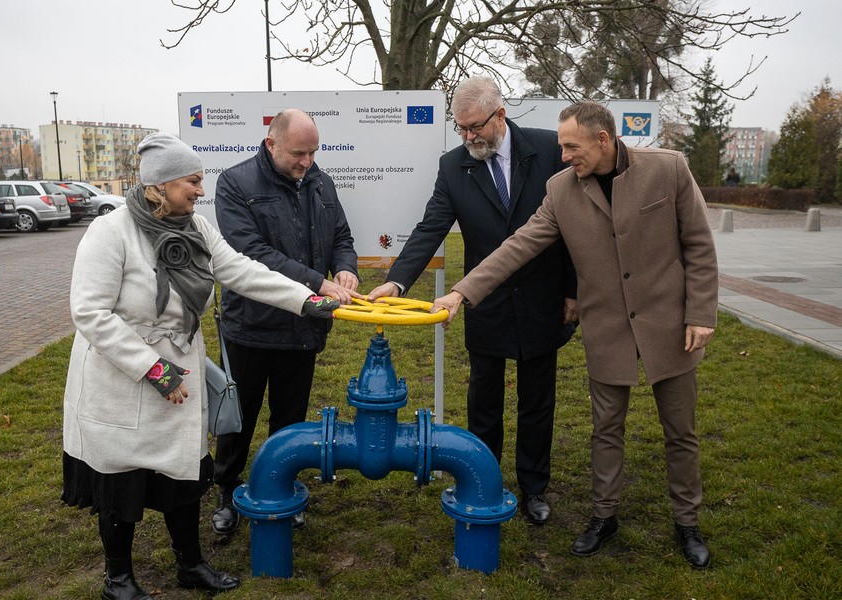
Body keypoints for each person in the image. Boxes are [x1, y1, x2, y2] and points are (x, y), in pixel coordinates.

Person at [432, 101, 719, 569]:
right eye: (562, 147)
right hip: (606, 329)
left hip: (671, 326)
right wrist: (462, 293)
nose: (563, 155)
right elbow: (518, 246)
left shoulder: (667, 170)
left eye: (572, 147)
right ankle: (604, 517)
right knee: (606, 430)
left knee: (680, 432)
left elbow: (700, 247)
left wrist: (700, 313)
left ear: (603, 140)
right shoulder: (560, 190)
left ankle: (687, 523)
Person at [61, 132, 339, 600]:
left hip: (179, 371)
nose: (199, 190)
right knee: (122, 480)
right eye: (191, 181)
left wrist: (304, 299)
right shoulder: (110, 232)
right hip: (121, 374)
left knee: (182, 473)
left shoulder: (198, 228)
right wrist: (153, 369)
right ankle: (119, 579)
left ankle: (190, 565)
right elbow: (90, 312)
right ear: (159, 185)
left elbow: (241, 270)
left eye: (200, 180)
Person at [367, 76, 577, 525]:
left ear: (500, 115)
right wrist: (398, 282)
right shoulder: (453, 166)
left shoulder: (547, 151)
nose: (468, 137)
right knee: (484, 398)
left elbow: (575, 229)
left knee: (538, 399)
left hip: (543, 297)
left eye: (474, 127)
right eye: (460, 129)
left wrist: (573, 292)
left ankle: (535, 486)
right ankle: (483, 478)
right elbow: (431, 228)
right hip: (485, 300)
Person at [211, 108, 361, 534]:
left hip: (302, 328)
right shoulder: (235, 184)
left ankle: (282, 486)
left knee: (290, 419)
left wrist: (345, 268)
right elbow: (251, 253)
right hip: (251, 328)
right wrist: (317, 282)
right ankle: (226, 491)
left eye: (314, 152)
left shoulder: (320, 181)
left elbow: (341, 238)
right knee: (238, 419)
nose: (307, 162)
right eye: (299, 153)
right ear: (271, 143)